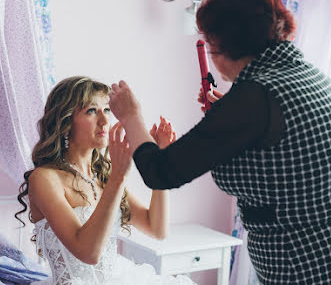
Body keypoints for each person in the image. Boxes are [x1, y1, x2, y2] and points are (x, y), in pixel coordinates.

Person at [108, 0, 331, 284]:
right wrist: (230, 113)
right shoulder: (306, 76)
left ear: (225, 43)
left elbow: (161, 172)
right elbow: (286, 150)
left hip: (308, 265)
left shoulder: (255, 97)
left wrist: (132, 116)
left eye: (210, 44)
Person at [15, 76, 196, 285]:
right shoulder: (45, 179)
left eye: (107, 110)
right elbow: (88, 253)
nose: (104, 120)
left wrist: (162, 165)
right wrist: (118, 178)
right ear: (65, 123)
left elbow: (156, 229)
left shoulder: (103, 176)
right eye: (91, 111)